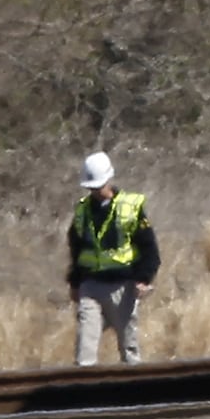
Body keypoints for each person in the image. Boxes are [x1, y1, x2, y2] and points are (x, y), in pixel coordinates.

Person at [67, 151, 160, 366]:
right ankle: (84, 395)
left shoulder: (129, 208)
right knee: (84, 350)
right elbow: (77, 248)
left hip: (123, 287)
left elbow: (149, 248)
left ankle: (135, 394)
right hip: (91, 286)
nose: (95, 191)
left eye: (98, 186)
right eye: (91, 187)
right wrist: (74, 282)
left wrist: (144, 278)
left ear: (109, 179)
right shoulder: (82, 211)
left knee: (129, 349)